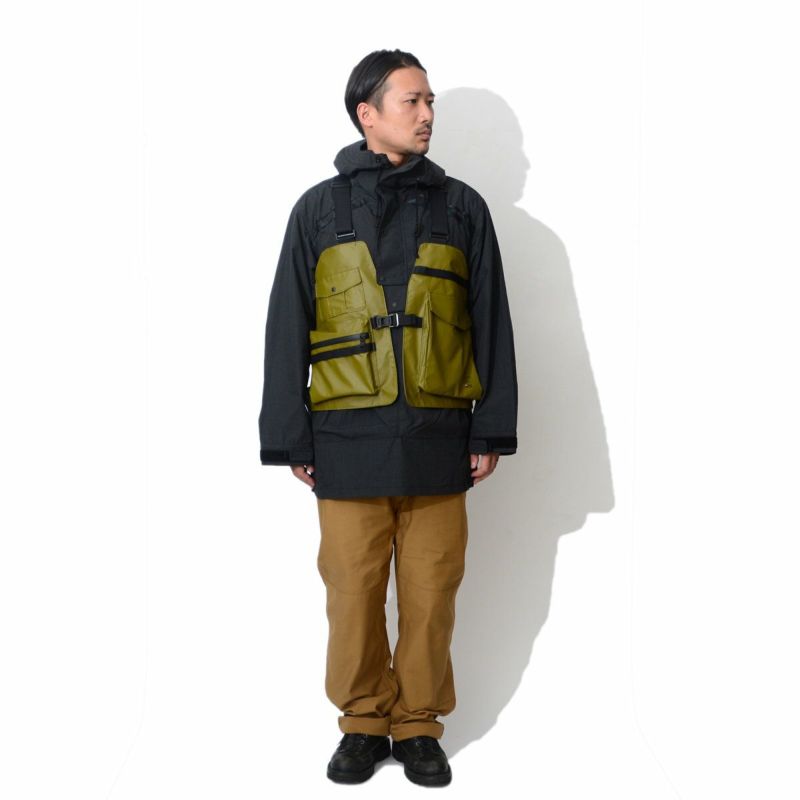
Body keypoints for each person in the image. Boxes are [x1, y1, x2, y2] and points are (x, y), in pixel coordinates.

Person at [258, 49, 518, 787]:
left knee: (432, 594)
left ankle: (420, 725)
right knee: (352, 593)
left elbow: (491, 319)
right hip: (345, 440)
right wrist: (289, 434)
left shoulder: (462, 207)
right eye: (412, 101)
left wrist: (490, 428)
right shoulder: (318, 209)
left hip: (439, 436)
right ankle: (364, 722)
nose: (428, 114)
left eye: (431, 101)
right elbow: (288, 322)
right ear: (366, 113)